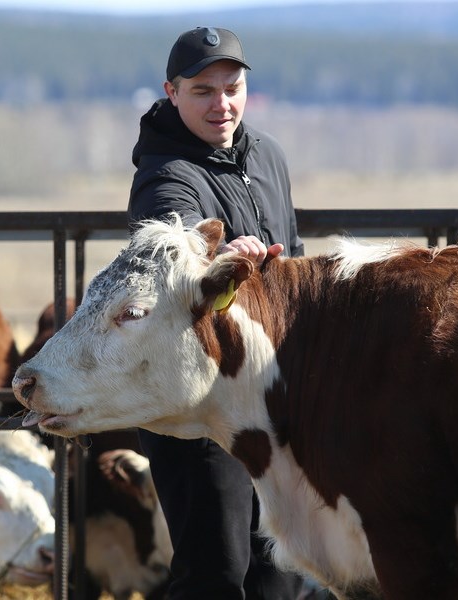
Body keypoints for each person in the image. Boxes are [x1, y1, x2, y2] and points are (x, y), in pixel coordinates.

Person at [128, 27, 306, 599]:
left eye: (232, 88)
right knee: (215, 573)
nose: (221, 104)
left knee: (279, 572)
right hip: (196, 404)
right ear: (171, 92)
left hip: (264, 393)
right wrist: (223, 256)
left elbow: (294, 259)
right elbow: (179, 247)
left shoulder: (268, 155)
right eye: (202, 91)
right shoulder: (164, 172)